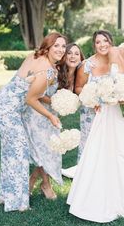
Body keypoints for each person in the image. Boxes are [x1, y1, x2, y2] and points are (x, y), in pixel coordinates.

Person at [67, 27, 124, 226]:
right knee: (101, 152)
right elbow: (99, 73)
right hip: (107, 113)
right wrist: (104, 94)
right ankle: (95, 198)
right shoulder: (114, 52)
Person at [0, 32, 65, 212]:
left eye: (63, 46)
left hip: (4, 103)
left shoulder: (37, 56)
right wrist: (51, 116)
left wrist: (56, 101)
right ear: (48, 47)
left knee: (12, 152)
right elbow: (31, 99)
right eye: (56, 45)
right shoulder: (47, 71)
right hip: (7, 109)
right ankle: (17, 202)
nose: (60, 50)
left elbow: (35, 93)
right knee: (19, 151)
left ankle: (7, 196)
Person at [26, 42, 84, 198]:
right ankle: (44, 184)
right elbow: (37, 94)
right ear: (64, 56)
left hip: (52, 116)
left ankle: (35, 181)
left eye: (76, 54)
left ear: (81, 57)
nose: (72, 56)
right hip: (38, 111)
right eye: (69, 53)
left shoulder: (80, 76)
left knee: (50, 148)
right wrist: (54, 101)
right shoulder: (55, 71)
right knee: (46, 148)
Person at [62, 31, 112, 178]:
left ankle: (106, 176)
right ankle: (86, 178)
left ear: (111, 43)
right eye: (98, 42)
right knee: (90, 145)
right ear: (94, 45)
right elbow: (78, 88)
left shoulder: (115, 63)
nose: (102, 44)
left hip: (112, 112)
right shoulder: (87, 65)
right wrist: (93, 100)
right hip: (91, 113)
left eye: (105, 41)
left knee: (109, 144)